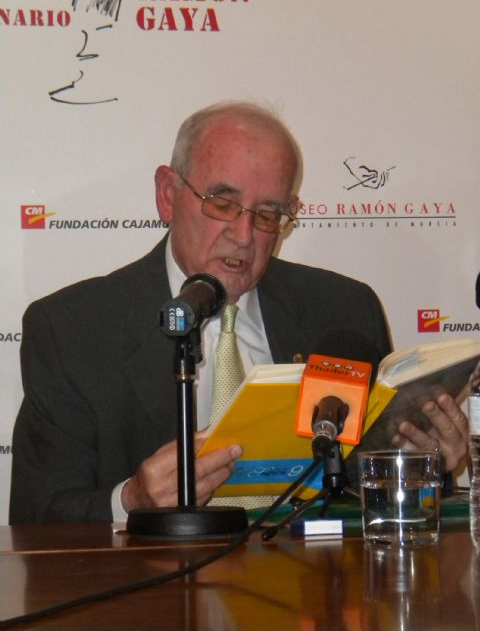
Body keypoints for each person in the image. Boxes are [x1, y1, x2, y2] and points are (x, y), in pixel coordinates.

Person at [9, 101, 468, 524]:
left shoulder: (344, 310)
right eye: (223, 204)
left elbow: (369, 497)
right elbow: (37, 518)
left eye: (267, 214)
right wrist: (130, 501)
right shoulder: (72, 330)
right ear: (168, 194)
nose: (244, 235)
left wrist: (425, 468)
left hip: (314, 580)